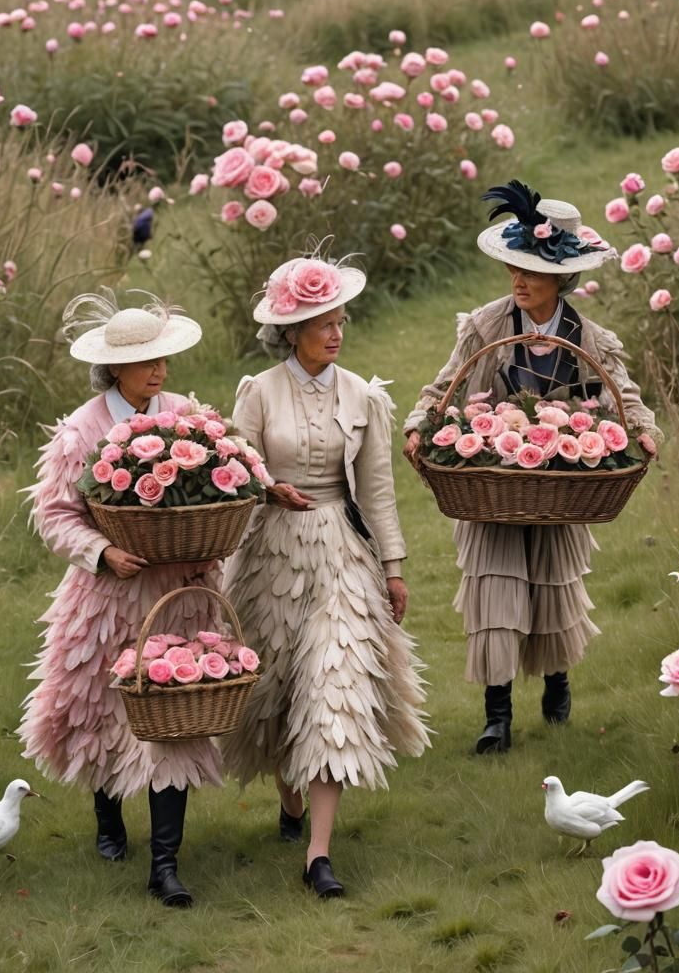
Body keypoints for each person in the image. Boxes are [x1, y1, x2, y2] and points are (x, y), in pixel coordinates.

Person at [403, 181, 661, 755]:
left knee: (551, 588)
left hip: (558, 485)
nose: (518, 283)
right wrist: (421, 421)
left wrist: (643, 431)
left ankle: (557, 683)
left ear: (561, 280)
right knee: (493, 590)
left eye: (532, 273)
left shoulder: (588, 338)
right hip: (492, 478)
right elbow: (444, 384)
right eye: (513, 271)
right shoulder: (486, 326)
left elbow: (624, 392)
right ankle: (497, 715)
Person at [221, 253, 431, 899]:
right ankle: (289, 807)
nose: (336, 333)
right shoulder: (258, 392)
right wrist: (266, 489)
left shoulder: (363, 396)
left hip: (342, 549)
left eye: (341, 321)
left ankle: (318, 854)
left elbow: (378, 492)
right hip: (272, 554)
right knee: (276, 691)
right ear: (293, 333)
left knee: (332, 686)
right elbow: (232, 473)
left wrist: (392, 570)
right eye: (322, 323)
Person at [18, 291, 222, 907]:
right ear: (113, 368)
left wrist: (211, 531)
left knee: (173, 707)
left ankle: (165, 864)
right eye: (146, 361)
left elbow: (216, 485)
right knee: (105, 715)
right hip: (110, 594)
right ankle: (109, 819)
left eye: (163, 358)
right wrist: (103, 553)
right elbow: (55, 515)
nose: (160, 369)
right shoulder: (82, 430)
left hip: (179, 591)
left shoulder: (186, 415)